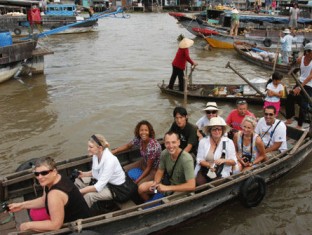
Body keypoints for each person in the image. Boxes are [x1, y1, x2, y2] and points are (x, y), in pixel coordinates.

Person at [8, 157, 91, 232]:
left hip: (78, 227)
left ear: (54, 171)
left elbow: (55, 225)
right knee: (34, 212)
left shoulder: (55, 194)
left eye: (44, 173)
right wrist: (21, 205)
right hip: (73, 217)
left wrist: (27, 225)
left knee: (25, 227)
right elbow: (43, 200)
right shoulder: (55, 179)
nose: (40, 177)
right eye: (37, 174)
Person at [138, 131, 195, 201]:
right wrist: (156, 183)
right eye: (167, 143)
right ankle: (150, 201)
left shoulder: (186, 159)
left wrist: (167, 188)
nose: (170, 146)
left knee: (168, 202)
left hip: (181, 189)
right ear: (164, 143)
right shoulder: (164, 154)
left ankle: (158, 203)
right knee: (141, 189)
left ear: (178, 142)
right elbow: (160, 171)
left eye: (173, 142)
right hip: (167, 184)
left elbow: (191, 186)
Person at [75, 134, 127, 208]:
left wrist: (79, 192)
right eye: (88, 146)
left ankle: (81, 215)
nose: (88, 149)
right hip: (104, 183)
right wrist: (83, 174)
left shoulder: (110, 161)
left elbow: (98, 187)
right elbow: (95, 172)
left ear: (100, 148)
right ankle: (76, 203)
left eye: (91, 147)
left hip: (116, 189)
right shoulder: (96, 155)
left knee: (89, 196)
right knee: (78, 181)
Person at [111, 120, 162, 185]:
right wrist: (115, 151)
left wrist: (137, 181)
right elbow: (128, 146)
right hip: (144, 162)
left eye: (146, 130)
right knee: (123, 169)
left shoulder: (152, 146)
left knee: (138, 185)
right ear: (138, 131)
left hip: (154, 170)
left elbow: (149, 167)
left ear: (149, 132)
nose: (143, 132)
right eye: (141, 130)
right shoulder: (139, 139)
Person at [195, 117, 237, 185]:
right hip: (205, 170)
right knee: (199, 183)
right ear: (210, 131)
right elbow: (199, 160)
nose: (217, 131)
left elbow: (234, 162)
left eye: (219, 129)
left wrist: (224, 160)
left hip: (221, 173)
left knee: (216, 184)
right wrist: (209, 165)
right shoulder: (203, 142)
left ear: (222, 130)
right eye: (214, 129)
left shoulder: (229, 142)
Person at [285, 43, 312, 129]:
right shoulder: (301, 59)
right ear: (307, 52)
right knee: (290, 97)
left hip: (309, 85)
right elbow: (294, 64)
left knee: (303, 104)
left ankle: (299, 125)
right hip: (300, 81)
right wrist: (292, 69)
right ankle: (289, 118)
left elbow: (310, 76)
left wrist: (300, 87)